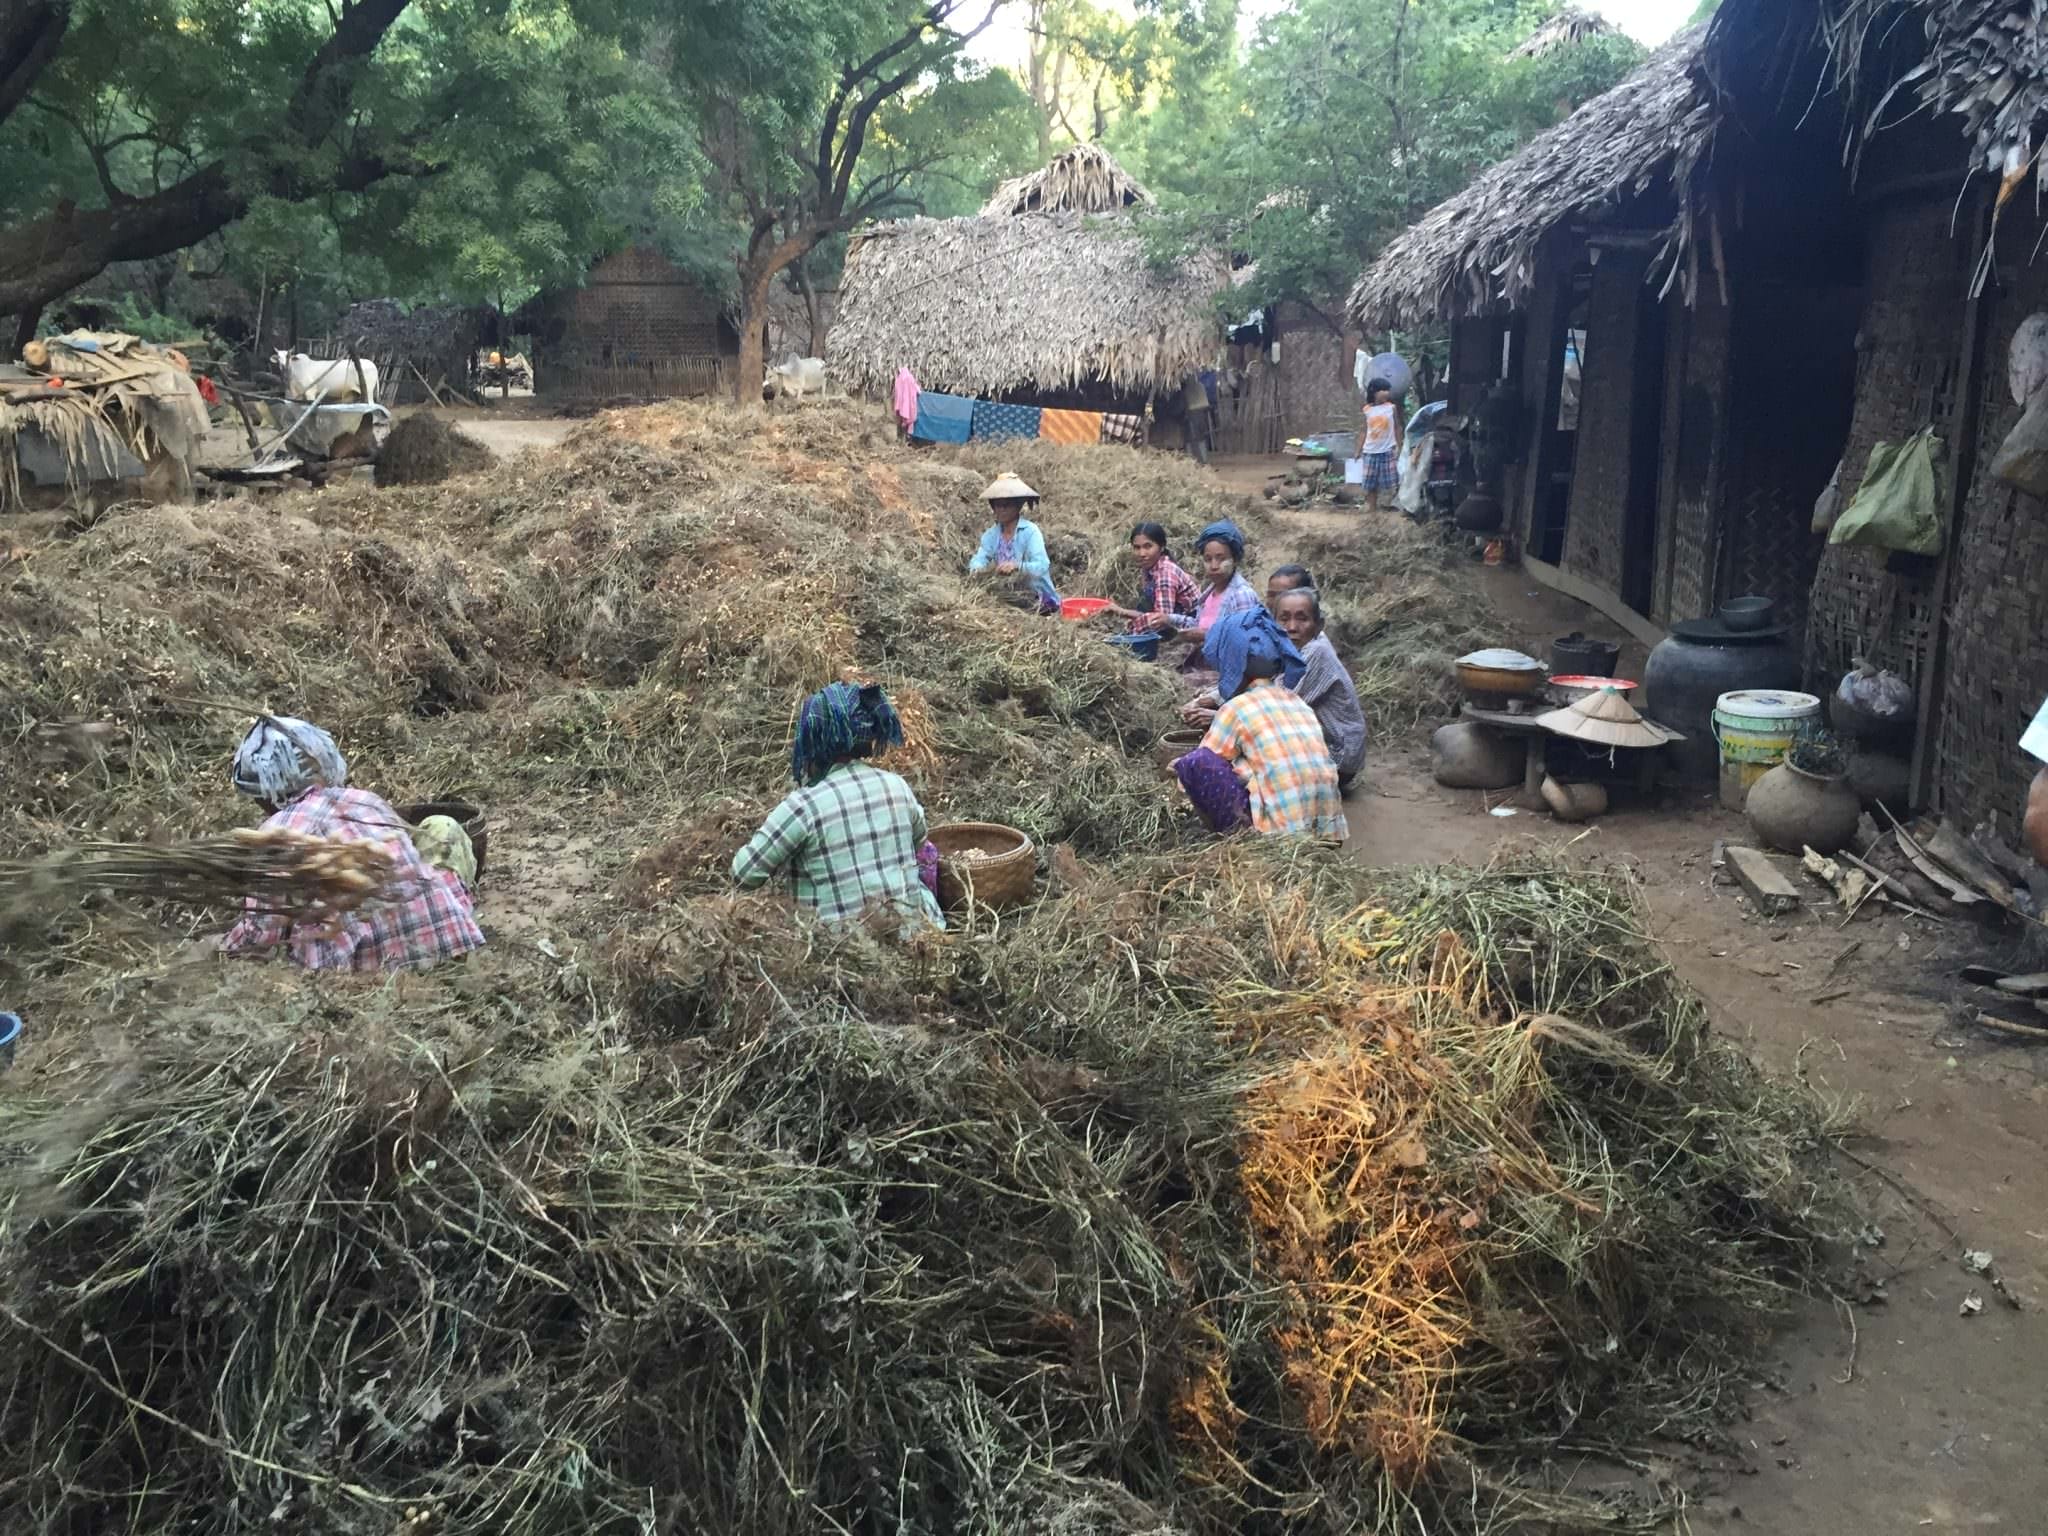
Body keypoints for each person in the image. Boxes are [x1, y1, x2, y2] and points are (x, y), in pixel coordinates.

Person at [220, 716, 485, 971]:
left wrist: (222, 950)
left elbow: (262, 934)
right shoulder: (366, 800)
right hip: (442, 946)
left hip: (363, 970)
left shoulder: (276, 835)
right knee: (439, 832)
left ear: (262, 795)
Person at [732, 682, 944, 931]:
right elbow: (918, 840)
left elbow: (744, 874)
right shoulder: (896, 786)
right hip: (909, 938)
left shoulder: (803, 806)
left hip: (839, 948)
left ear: (812, 741)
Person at [1173, 609, 1347, 842]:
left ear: (1230, 663)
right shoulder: (1295, 701)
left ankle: (1235, 842)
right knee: (1254, 763)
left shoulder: (1235, 709)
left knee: (1194, 763)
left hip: (1280, 840)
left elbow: (1206, 760)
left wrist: (1176, 769)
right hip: (1327, 832)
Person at [1273, 586, 1367, 791]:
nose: (1292, 627)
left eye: (1302, 619)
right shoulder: (1290, 649)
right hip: (1322, 743)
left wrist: (1224, 714)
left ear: (1318, 625)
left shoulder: (1317, 652)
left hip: (1338, 755)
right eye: (1284, 619)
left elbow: (1276, 707)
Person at [1175, 519, 1262, 677]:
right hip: (1202, 664)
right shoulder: (1209, 593)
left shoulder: (1241, 595)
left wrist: (1206, 636)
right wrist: (1167, 619)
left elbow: (1247, 642)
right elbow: (1198, 624)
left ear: (1235, 559)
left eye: (1221, 558)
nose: (1214, 566)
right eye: (1208, 559)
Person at [968, 472, 1060, 615]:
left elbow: (1042, 565)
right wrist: (979, 570)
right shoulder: (991, 536)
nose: (1001, 510)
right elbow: (978, 559)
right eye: (998, 506)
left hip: (1037, 598)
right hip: (1007, 595)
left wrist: (1017, 566)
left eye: (1006, 505)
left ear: (1017, 507)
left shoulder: (1030, 532)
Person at [1117, 521, 1200, 634]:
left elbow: (1160, 620)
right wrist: (1120, 612)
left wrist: (1129, 624)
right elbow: (1154, 613)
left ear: (1162, 547)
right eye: (1137, 547)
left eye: (1148, 546)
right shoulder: (1149, 568)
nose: (1142, 553)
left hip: (1191, 628)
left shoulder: (1165, 573)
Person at [1360, 377, 1404, 514]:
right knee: (1371, 484)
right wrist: (1358, 449)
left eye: (1387, 390)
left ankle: (1389, 508)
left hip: (1387, 450)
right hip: (1370, 450)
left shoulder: (1391, 408)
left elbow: (1397, 428)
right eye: (1382, 390)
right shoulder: (1367, 410)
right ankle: (1372, 511)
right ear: (1374, 392)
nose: (1386, 393)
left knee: (1391, 482)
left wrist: (1399, 446)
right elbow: (1364, 430)